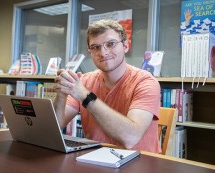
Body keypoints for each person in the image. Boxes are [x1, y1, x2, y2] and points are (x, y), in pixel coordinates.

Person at [54, 19, 161, 153]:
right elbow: (55, 128)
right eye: (95, 47)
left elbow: (130, 138)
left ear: (125, 46)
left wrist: (85, 96)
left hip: (138, 164)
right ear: (90, 51)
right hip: (94, 160)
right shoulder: (85, 81)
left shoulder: (145, 82)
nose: (103, 52)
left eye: (110, 44)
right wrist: (62, 93)